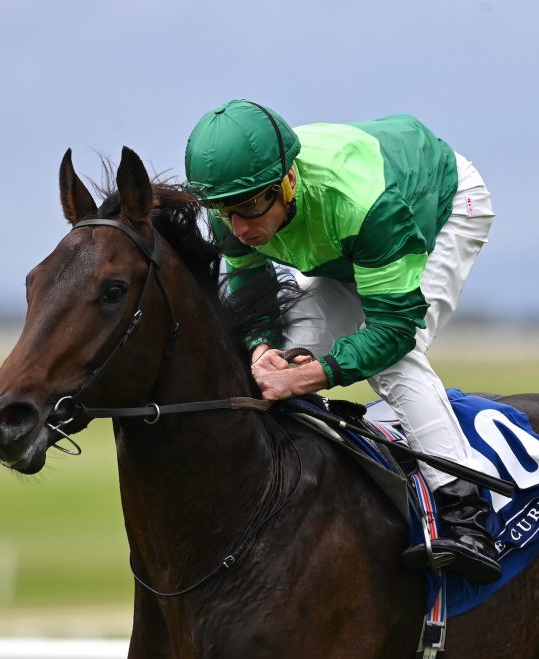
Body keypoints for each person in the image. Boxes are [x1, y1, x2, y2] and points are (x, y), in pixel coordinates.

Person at [184, 99, 501, 584]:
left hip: (437, 209)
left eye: (250, 208)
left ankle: (466, 513)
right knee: (286, 352)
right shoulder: (231, 205)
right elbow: (252, 290)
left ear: (288, 182)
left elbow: (392, 332)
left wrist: (313, 375)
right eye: (226, 212)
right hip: (348, 241)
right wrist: (262, 347)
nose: (241, 228)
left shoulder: (366, 207)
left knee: (393, 362)